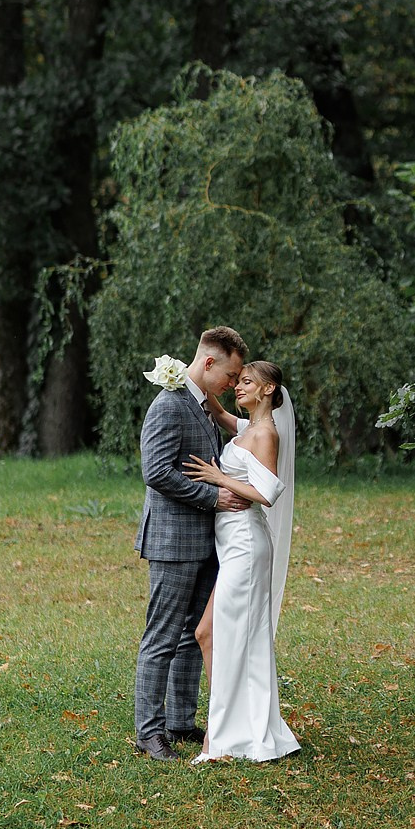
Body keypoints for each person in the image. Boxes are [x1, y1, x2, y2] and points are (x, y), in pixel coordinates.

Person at [133, 326, 249, 760]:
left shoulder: (202, 405)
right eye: (232, 376)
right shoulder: (168, 404)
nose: (234, 385)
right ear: (208, 363)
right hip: (172, 540)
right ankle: (149, 732)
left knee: (190, 635)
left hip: (204, 541)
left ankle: (180, 721)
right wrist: (213, 496)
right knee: (161, 637)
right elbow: (157, 471)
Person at [183, 359, 300, 763]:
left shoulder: (265, 433)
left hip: (247, 546)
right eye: (238, 381)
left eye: (247, 382)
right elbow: (214, 408)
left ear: (268, 390)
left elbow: (268, 492)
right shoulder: (248, 428)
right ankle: (229, 730)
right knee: (208, 634)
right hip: (233, 544)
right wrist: (183, 372)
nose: (238, 386)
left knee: (221, 635)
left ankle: (221, 739)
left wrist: (219, 480)